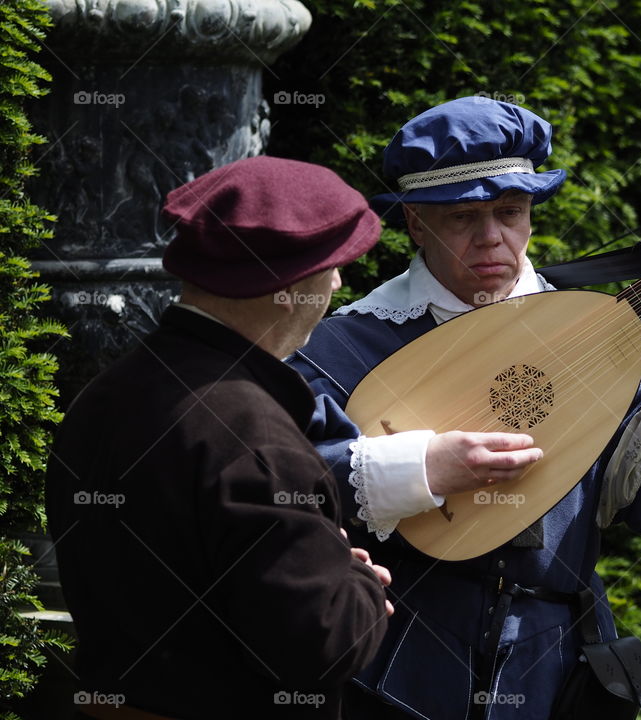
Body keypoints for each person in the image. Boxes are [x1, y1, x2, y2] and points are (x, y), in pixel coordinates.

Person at [289, 98, 641, 720]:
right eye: (462, 217)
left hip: (554, 673)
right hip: (395, 667)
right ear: (416, 224)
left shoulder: (590, 346)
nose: (491, 237)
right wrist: (420, 466)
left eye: (510, 212)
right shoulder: (346, 346)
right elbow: (278, 495)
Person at [45, 156, 393, 720]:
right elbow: (324, 645)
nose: (337, 282)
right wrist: (358, 584)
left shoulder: (106, 393)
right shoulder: (255, 437)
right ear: (289, 286)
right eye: (333, 265)